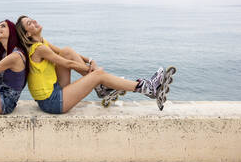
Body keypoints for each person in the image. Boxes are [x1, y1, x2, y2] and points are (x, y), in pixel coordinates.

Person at [15, 15, 176, 114]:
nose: (34, 21)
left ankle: (102, 88)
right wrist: (94, 73)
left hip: (55, 90)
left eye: (32, 19)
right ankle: (148, 88)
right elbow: (67, 64)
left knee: (67, 50)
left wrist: (90, 60)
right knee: (97, 75)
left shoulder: (43, 42)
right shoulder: (39, 49)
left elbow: (66, 55)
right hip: (52, 103)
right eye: (29, 23)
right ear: (28, 34)